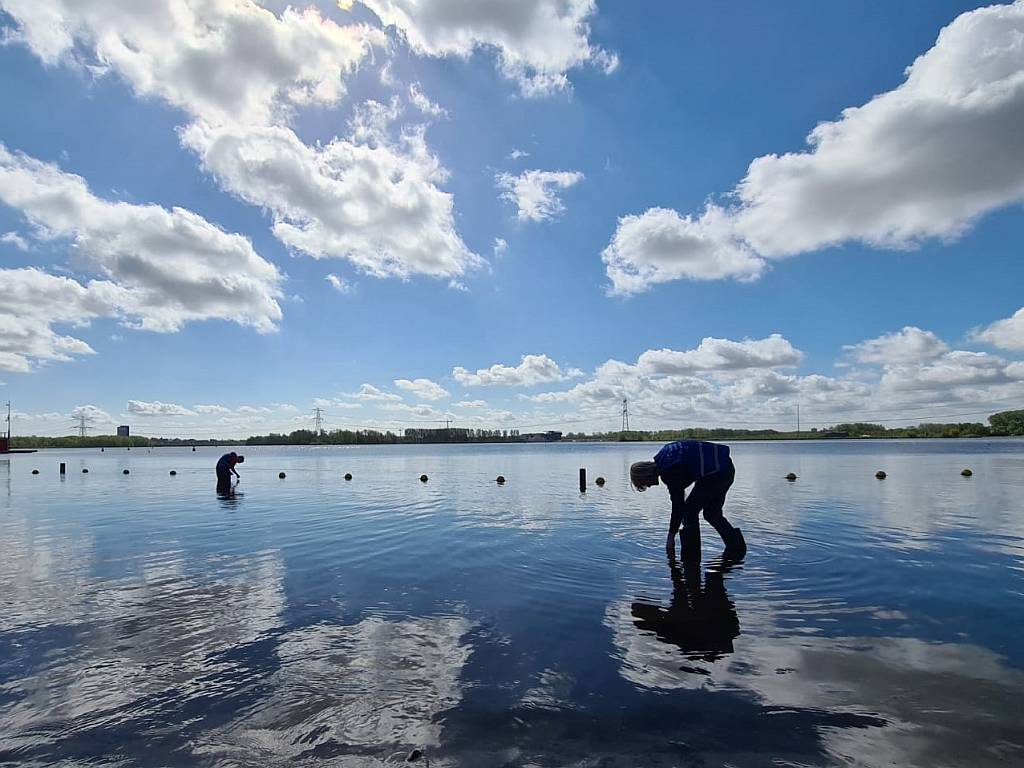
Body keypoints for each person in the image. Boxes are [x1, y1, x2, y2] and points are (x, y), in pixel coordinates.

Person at [630, 440, 746, 560]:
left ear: (646, 475)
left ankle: (691, 556)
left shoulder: (670, 471)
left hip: (718, 473)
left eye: (644, 483)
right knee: (712, 514)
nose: (648, 486)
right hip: (725, 466)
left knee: (689, 512)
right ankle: (737, 547)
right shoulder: (664, 456)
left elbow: (678, 506)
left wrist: (670, 537)